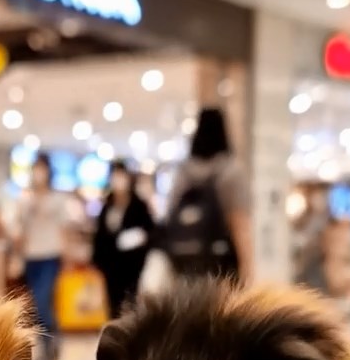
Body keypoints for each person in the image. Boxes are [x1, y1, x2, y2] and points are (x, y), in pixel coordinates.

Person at [163, 107, 252, 283]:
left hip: (183, 264)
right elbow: (239, 223)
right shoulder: (230, 171)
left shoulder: (183, 172)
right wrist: (248, 268)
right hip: (221, 266)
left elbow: (170, 215)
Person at [19, 152, 69, 360]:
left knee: (42, 299)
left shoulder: (57, 200)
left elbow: (63, 229)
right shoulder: (25, 200)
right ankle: (49, 341)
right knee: (37, 304)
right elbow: (22, 231)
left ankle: (51, 339)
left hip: (51, 255)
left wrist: (65, 255)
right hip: (32, 257)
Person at [93, 160, 153, 317]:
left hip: (133, 265)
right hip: (111, 266)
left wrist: (138, 238)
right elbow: (100, 236)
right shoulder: (107, 206)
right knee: (113, 306)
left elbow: (150, 231)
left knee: (131, 304)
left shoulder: (138, 205)